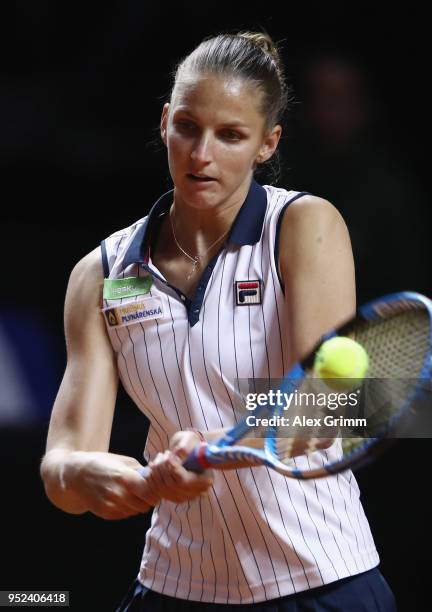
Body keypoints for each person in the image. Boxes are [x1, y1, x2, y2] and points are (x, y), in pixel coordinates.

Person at [40, 31, 396, 611]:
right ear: (164, 124)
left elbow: (331, 407)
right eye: (187, 126)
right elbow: (60, 469)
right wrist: (87, 473)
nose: (201, 153)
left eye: (231, 135)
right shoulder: (98, 274)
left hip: (321, 581)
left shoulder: (305, 226)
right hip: (174, 584)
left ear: (266, 143)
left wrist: (220, 444)